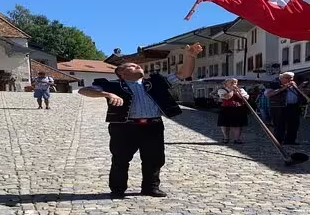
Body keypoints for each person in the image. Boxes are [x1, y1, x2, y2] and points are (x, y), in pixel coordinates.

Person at [78, 43, 202, 199]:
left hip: (153, 126)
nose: (136, 65)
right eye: (131, 66)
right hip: (125, 128)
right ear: (121, 74)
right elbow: (84, 90)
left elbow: (183, 74)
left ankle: (150, 188)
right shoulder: (111, 85)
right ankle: (118, 189)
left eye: (137, 65)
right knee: (120, 159)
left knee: (155, 158)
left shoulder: (154, 82)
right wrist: (107, 94)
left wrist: (190, 56)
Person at [265, 72, 304, 145]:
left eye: (291, 78)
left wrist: (299, 88)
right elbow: (268, 94)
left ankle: (290, 140)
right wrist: (283, 88)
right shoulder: (274, 85)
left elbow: (299, 95)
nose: (290, 80)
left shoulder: (294, 86)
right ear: (282, 79)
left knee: (293, 124)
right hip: (279, 107)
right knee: (280, 124)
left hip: (293, 107)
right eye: (288, 78)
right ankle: (278, 141)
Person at [216, 79, 249, 144]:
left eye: (235, 82)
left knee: (238, 125)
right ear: (226, 84)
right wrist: (232, 90)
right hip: (226, 109)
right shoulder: (222, 90)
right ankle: (226, 138)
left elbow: (245, 98)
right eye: (231, 82)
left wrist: (237, 93)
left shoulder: (241, 90)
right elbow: (227, 97)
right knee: (225, 124)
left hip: (238, 108)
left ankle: (237, 139)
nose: (233, 84)